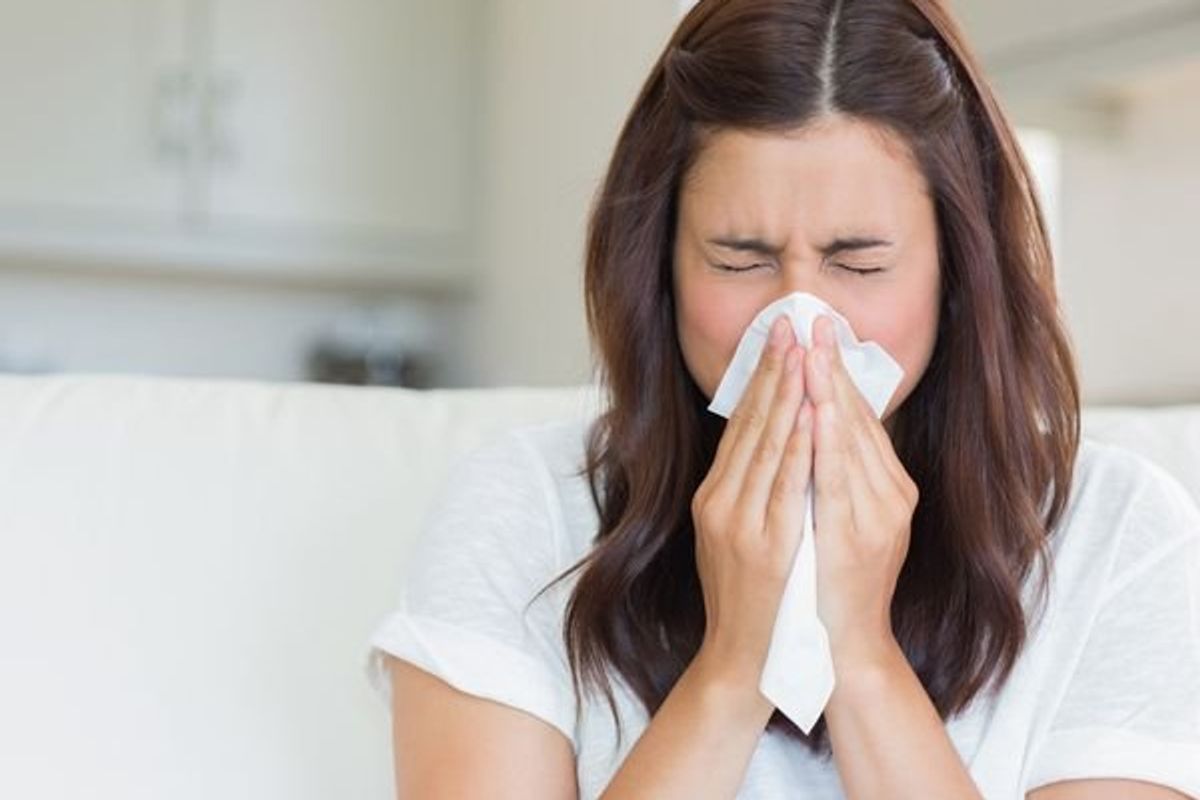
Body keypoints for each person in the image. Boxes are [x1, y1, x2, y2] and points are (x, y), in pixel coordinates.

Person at [364, 0, 1200, 797]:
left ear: (958, 273)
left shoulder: (1119, 533)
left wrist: (861, 654)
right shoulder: (525, 509)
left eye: (861, 263)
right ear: (658, 266)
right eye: (739, 260)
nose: (800, 324)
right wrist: (733, 665)